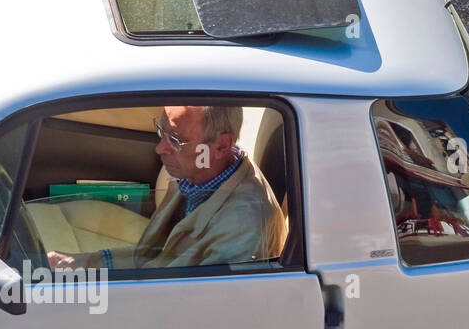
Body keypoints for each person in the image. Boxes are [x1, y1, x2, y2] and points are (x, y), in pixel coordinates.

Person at [47, 104, 288, 270]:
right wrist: (80, 264)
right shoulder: (200, 172)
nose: (160, 148)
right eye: (161, 131)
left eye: (175, 139)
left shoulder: (244, 232)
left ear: (222, 146)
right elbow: (153, 256)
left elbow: (186, 307)